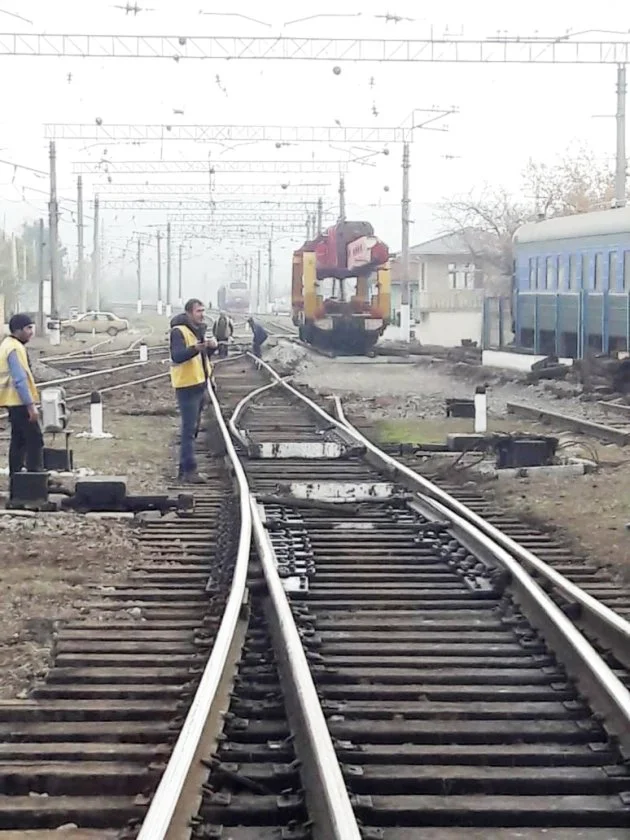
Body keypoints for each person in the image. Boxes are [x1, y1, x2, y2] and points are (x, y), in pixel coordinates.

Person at [169, 299, 217, 484]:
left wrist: (210, 349)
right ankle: (189, 470)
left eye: (203, 310)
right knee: (189, 430)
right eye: (198, 311)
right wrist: (195, 349)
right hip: (187, 386)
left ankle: (185, 469)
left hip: (199, 383)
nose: (202, 314)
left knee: (193, 429)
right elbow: (178, 356)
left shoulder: (198, 331)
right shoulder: (178, 331)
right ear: (189, 313)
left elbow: (202, 358)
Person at [0, 313, 44, 475]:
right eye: (29, 328)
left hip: (11, 401)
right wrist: (31, 406)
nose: (32, 332)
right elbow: (19, 379)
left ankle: (17, 479)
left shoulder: (6, 344)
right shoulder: (15, 348)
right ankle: (35, 478)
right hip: (19, 402)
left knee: (18, 440)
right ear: (18, 330)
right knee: (34, 439)